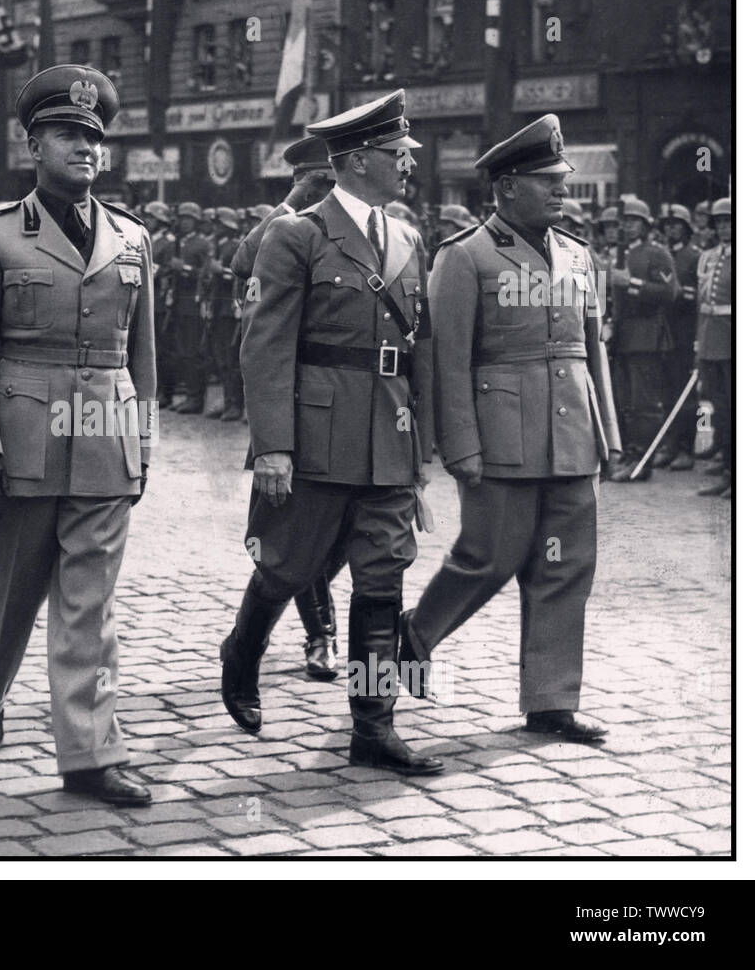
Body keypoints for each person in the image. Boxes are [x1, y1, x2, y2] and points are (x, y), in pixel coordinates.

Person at [0, 64, 157, 806]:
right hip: (24, 436)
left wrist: (144, 445)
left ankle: (89, 755)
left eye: (94, 138)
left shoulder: (133, 237)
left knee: (89, 608)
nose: (85, 149)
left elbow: (144, 358)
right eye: (68, 135)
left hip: (105, 437)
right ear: (32, 144)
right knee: (8, 597)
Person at [227, 89, 441, 775]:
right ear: (355, 161)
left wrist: (423, 447)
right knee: (286, 566)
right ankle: (244, 648)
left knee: (383, 584)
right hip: (318, 436)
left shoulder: (407, 238)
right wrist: (275, 446)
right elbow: (265, 347)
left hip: (388, 436)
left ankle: (372, 728)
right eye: (396, 152)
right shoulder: (297, 236)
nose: (409, 162)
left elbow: (418, 350)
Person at [400, 114, 620, 743]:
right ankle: (414, 634)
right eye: (546, 180)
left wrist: (609, 432)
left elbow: (592, 348)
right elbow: (445, 358)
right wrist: (459, 443)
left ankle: (551, 701)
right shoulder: (465, 257)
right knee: (488, 557)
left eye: (562, 179)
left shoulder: (579, 253)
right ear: (505, 188)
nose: (561, 190)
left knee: (565, 567)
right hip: (501, 435)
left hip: (574, 435)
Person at [230, 133, 343, 683]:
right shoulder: (286, 228)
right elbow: (240, 261)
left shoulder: (376, 226)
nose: (329, 190)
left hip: (354, 408)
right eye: (319, 182)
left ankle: (267, 634)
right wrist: (292, 203)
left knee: (346, 538)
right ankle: (319, 635)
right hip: (292, 398)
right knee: (292, 533)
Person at [606, 197, 678, 482]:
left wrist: (632, 284)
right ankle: (629, 454)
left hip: (647, 337)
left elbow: (668, 292)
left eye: (634, 221)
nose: (628, 226)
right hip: (623, 337)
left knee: (644, 404)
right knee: (624, 402)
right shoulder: (619, 255)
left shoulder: (656, 253)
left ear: (646, 225)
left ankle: (642, 461)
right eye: (625, 221)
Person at [655, 204, 702, 472]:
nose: (671, 229)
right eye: (667, 224)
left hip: (684, 332)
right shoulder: (661, 254)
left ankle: (686, 448)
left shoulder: (694, 256)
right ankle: (670, 445)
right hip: (663, 333)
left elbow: (697, 296)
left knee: (686, 394)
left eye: (676, 224)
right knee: (666, 392)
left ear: (686, 227)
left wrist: (676, 292)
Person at [694, 197, 732, 497]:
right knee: (719, 404)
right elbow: (702, 302)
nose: (723, 227)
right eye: (719, 222)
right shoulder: (708, 256)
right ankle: (726, 461)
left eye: (728, 221)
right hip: (711, 336)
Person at [170, 201, 211, 414]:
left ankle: (196, 398)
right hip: (178, 304)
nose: (184, 223)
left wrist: (183, 268)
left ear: (196, 221)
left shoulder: (202, 244)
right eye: (182, 219)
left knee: (194, 352)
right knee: (183, 352)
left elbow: (206, 275)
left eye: (189, 219)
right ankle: (188, 396)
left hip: (194, 305)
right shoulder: (179, 242)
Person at [204, 206, 244, 421]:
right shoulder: (216, 246)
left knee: (231, 358)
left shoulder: (235, 246)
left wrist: (222, 272)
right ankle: (227, 401)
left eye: (219, 224)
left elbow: (240, 275)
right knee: (220, 359)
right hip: (218, 309)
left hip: (230, 309)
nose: (215, 227)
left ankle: (235, 404)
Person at [143, 201, 177, 409]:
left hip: (161, 301)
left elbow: (167, 269)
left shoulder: (168, 242)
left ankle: (166, 391)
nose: (148, 221)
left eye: (152, 218)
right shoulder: (148, 238)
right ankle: (154, 390)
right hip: (149, 299)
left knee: (163, 349)